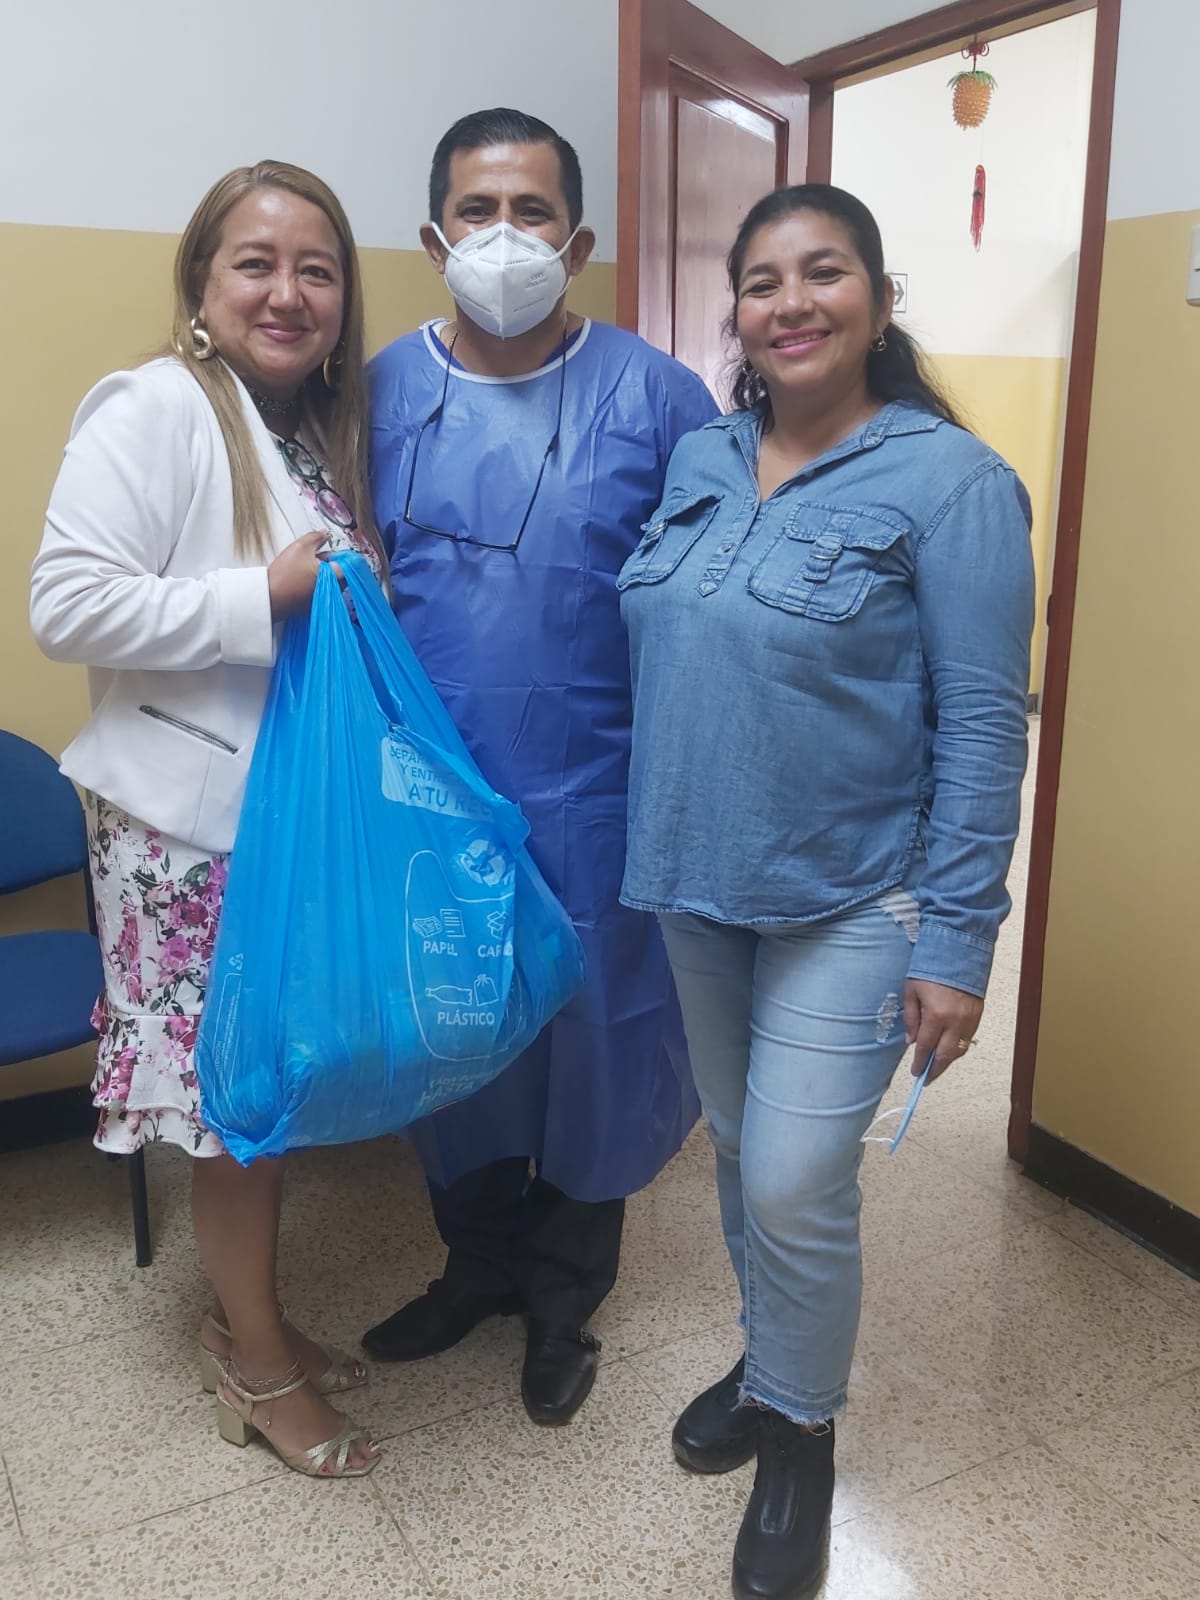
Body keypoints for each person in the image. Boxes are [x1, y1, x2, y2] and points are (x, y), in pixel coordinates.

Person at [619, 184, 1035, 1600]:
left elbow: (983, 727)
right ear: (735, 311)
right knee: (743, 1151)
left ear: (879, 298)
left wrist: (960, 941)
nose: (791, 302)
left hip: (857, 896)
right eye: (762, 281)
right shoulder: (701, 456)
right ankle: (769, 1360)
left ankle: (800, 1438)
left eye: (825, 272)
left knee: (797, 1178)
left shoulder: (953, 486)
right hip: (696, 874)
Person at [30, 161, 386, 1479]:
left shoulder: (302, 432)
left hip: (277, 822)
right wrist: (263, 600)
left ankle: (248, 1317)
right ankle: (255, 1364)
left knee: (261, 1096)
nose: (287, 292)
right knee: (238, 1108)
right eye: (256, 262)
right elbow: (66, 604)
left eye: (317, 270)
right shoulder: (157, 405)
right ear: (200, 282)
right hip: (184, 838)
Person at [363, 108, 718, 1423]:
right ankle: (476, 1268)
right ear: (432, 236)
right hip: (429, 800)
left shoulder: (657, 397)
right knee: (454, 1038)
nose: (502, 235)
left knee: (591, 1048)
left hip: (599, 801)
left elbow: (710, 604)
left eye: (530, 212)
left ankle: (564, 1302)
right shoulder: (375, 395)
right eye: (477, 210)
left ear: (576, 242)